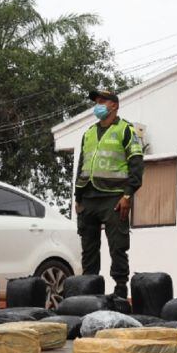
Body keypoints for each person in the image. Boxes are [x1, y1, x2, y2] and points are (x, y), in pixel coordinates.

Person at [74, 89, 144, 300]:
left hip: (114, 197)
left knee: (118, 247)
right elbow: (81, 166)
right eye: (96, 101)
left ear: (114, 105)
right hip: (88, 197)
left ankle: (120, 291)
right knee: (88, 249)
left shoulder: (126, 130)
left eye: (102, 101)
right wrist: (78, 198)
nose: (98, 105)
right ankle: (89, 291)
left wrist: (128, 195)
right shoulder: (88, 133)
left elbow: (136, 164)